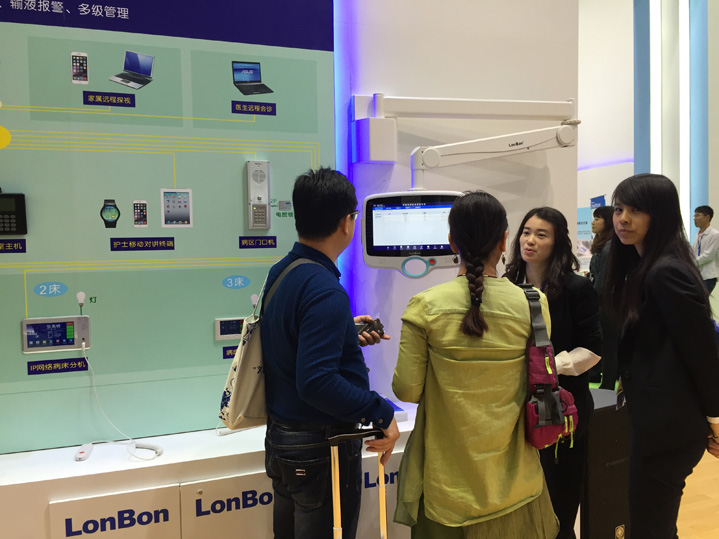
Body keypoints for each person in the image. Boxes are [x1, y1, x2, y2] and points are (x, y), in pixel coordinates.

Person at [393, 191, 559, 539]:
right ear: (504, 241)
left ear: (451, 241)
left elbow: (406, 390)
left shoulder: (425, 306)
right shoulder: (534, 304)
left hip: (447, 491)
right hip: (518, 485)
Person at [261, 167, 400, 539]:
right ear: (345, 223)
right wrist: (380, 410)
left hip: (283, 440)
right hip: (319, 448)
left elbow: (290, 342)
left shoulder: (282, 272)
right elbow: (316, 381)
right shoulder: (324, 289)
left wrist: (345, 334)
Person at [604, 174, 719, 538]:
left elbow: (703, 351)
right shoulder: (643, 267)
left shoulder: (665, 271)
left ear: (661, 215)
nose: (623, 219)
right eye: (618, 209)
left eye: (636, 211)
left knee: (650, 526)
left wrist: (716, 418)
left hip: (671, 425)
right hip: (659, 421)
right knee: (654, 524)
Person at [505, 206, 602, 539]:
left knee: (559, 505)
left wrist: (545, 369)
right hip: (516, 408)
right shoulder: (507, 285)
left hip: (563, 409)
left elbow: (593, 349)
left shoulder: (576, 288)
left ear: (557, 242)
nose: (530, 240)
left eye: (541, 235)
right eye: (526, 232)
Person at [588, 205, 619, 389]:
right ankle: (599, 375)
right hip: (604, 299)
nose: (593, 222)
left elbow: (604, 279)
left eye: (598, 218)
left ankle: (607, 383)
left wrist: (592, 295)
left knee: (609, 343)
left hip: (607, 301)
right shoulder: (603, 243)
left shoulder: (609, 246)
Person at [692, 205, 719, 294]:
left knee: (700, 299)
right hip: (698, 275)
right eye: (694, 215)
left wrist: (691, 263)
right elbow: (694, 253)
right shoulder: (698, 235)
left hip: (708, 277)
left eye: (697, 215)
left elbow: (708, 255)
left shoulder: (715, 235)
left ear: (707, 217)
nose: (694, 218)